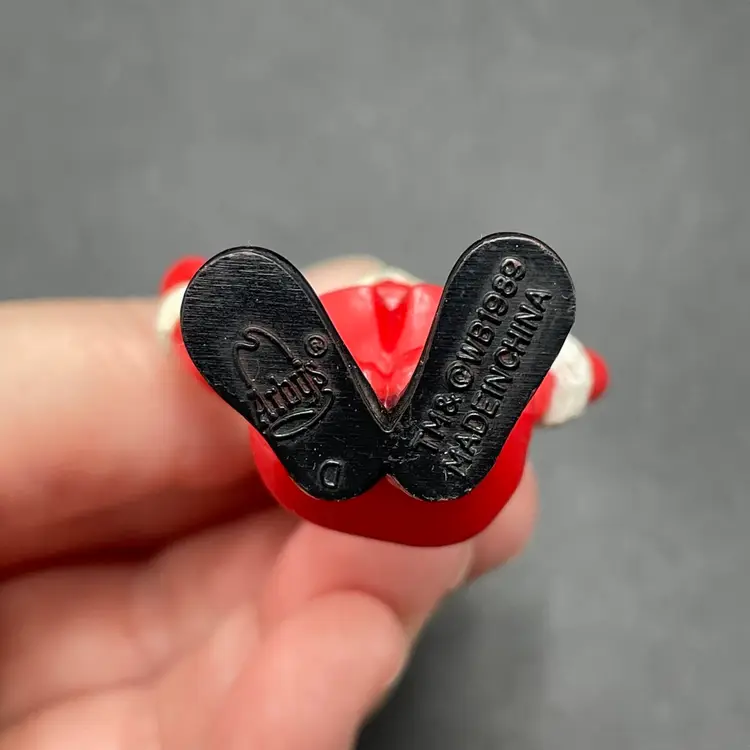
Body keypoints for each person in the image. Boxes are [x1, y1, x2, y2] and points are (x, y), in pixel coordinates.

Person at [0, 257, 537, 749]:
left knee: (375, 422)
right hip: (441, 493)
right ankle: (412, 431)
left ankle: (392, 429)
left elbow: (214, 333)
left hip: (352, 472)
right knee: (447, 425)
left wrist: (193, 308)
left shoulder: (340, 320)